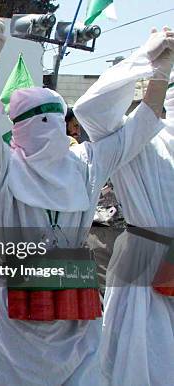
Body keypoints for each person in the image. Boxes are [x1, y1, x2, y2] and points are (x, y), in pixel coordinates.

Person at [0, 20, 170, 385]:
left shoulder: (4, 167)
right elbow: (143, 124)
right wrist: (160, 71)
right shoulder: (86, 163)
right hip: (57, 308)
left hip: (46, 308)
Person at [74, 26, 174, 386]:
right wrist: (149, 64)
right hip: (147, 264)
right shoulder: (147, 137)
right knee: (143, 361)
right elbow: (92, 110)